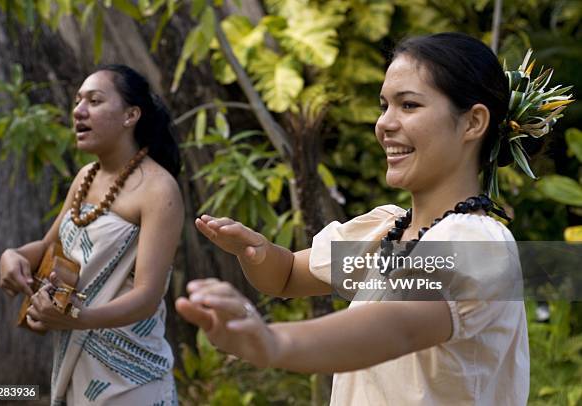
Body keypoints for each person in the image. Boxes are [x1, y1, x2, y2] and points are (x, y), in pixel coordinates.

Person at [175, 33, 537, 405]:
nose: (384, 124)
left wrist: (274, 342)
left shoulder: (475, 243)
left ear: (474, 122)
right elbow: (285, 277)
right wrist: (256, 249)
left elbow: (398, 329)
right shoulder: (388, 230)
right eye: (384, 106)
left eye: (409, 105)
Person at [0, 65, 183, 405]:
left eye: (95, 101)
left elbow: (147, 295)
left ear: (131, 115)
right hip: (77, 367)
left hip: (131, 376)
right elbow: (48, 246)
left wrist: (79, 319)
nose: (78, 111)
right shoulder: (86, 176)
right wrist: (15, 256)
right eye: (78, 101)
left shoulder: (159, 190)